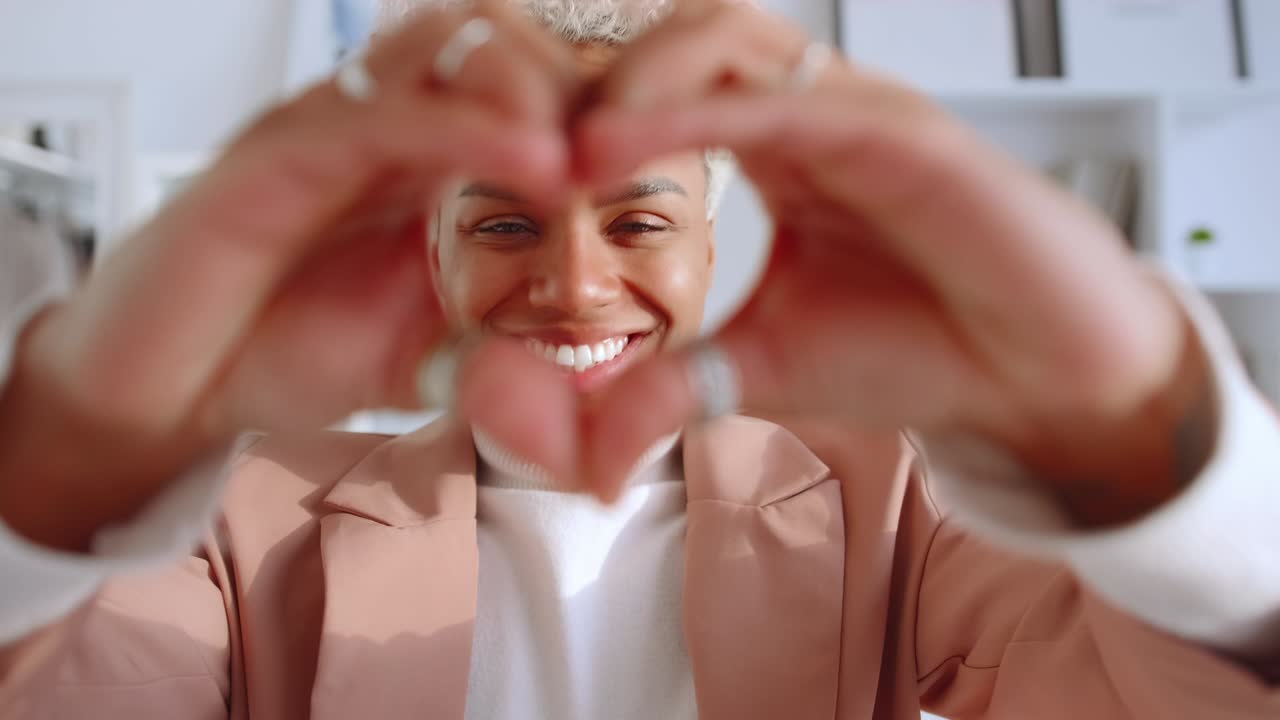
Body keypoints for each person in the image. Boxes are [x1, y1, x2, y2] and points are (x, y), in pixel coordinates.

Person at [0, 0, 1277, 717]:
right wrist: (65, 458)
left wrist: (1143, 441)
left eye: (639, 224)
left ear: (713, 247)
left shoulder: (894, 505)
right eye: (503, 226)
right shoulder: (236, 520)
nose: (573, 285)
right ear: (430, 257)